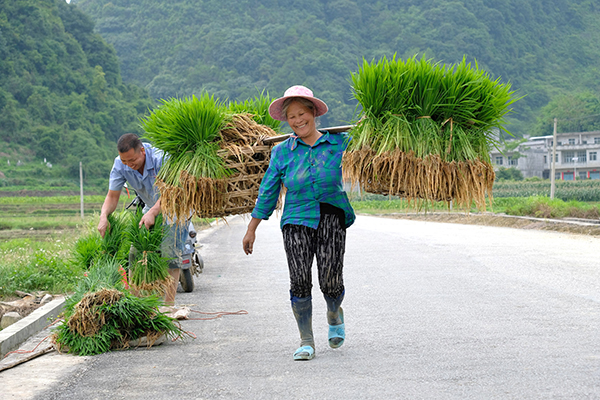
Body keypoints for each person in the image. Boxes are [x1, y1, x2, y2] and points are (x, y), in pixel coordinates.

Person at [242, 85, 356, 361]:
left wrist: (370, 130)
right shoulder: (282, 152)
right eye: (291, 116)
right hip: (295, 220)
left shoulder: (338, 143)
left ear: (314, 113)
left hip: (332, 215)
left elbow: (370, 155)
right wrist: (252, 228)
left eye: (302, 113)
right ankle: (306, 340)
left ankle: (333, 312)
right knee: (300, 280)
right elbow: (268, 190)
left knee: (330, 279)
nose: (297, 120)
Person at [98, 133, 187, 306]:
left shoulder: (162, 159)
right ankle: (136, 304)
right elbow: (112, 196)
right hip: (149, 206)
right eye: (125, 161)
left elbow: (173, 192)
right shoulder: (120, 164)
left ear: (142, 151)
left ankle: (168, 307)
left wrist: (154, 212)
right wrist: (103, 216)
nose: (129, 165)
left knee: (170, 254)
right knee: (135, 252)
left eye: (132, 160)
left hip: (176, 206)